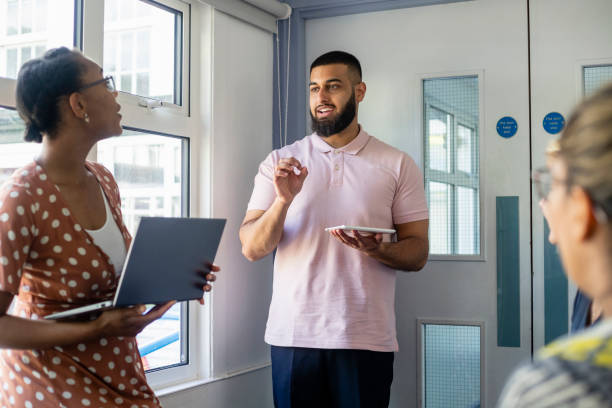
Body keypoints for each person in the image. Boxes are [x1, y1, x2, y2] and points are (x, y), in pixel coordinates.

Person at [0, 47, 219, 407]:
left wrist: (178, 277)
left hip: (117, 371)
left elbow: (110, 284)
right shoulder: (21, 198)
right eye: (106, 83)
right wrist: (95, 329)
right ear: (78, 105)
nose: (116, 95)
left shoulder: (103, 179)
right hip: (50, 383)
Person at [239, 50, 429, 407]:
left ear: (359, 92)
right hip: (294, 335)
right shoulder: (280, 163)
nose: (321, 98)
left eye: (333, 87)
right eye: (313, 89)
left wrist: (378, 249)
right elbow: (252, 247)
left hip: (365, 338)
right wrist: (282, 200)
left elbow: (418, 251)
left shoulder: (397, 164)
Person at [497, 83, 612, 407]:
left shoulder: (556, 384)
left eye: (554, 184)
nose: (546, 206)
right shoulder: (588, 298)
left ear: (581, 210)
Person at [541, 140, 603, 333]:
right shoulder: (588, 292)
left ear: (581, 210)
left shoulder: (554, 364)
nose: (543, 204)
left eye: (552, 188)